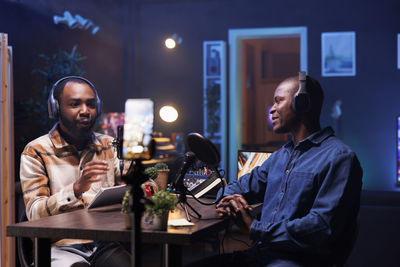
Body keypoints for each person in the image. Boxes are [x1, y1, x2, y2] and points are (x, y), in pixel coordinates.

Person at [189, 73, 363, 267]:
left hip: (300, 261)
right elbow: (241, 186)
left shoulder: (339, 158)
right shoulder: (280, 156)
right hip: (261, 255)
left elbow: (321, 227)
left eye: (278, 101)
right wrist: (229, 198)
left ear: (302, 103)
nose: (272, 109)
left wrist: (255, 228)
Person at [20, 76, 131, 266]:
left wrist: (150, 186)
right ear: (56, 109)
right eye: (74, 104)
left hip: (104, 243)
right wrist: (76, 189)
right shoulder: (36, 151)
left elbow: (134, 188)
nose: (85, 111)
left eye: (90, 104)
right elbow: (34, 214)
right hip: (59, 246)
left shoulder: (110, 145)